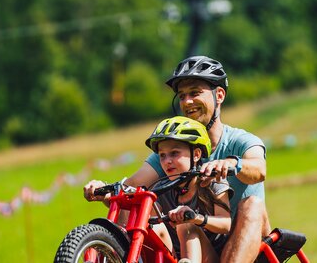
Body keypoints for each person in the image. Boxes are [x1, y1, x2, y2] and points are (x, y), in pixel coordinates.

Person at [84, 55, 270, 262]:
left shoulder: (241, 141)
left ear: (219, 95)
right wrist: (106, 190)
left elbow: (259, 170)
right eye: (181, 96)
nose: (187, 102)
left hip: (244, 241)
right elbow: (133, 185)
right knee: (135, 209)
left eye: (195, 93)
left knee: (252, 204)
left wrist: (232, 163)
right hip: (196, 243)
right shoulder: (172, 154)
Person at [146, 116, 232, 263]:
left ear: (197, 154)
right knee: (150, 227)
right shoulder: (160, 189)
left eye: (174, 153)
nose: (167, 161)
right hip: (176, 256)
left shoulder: (211, 181)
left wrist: (194, 218)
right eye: (162, 155)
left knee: (186, 224)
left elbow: (226, 224)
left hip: (211, 257)